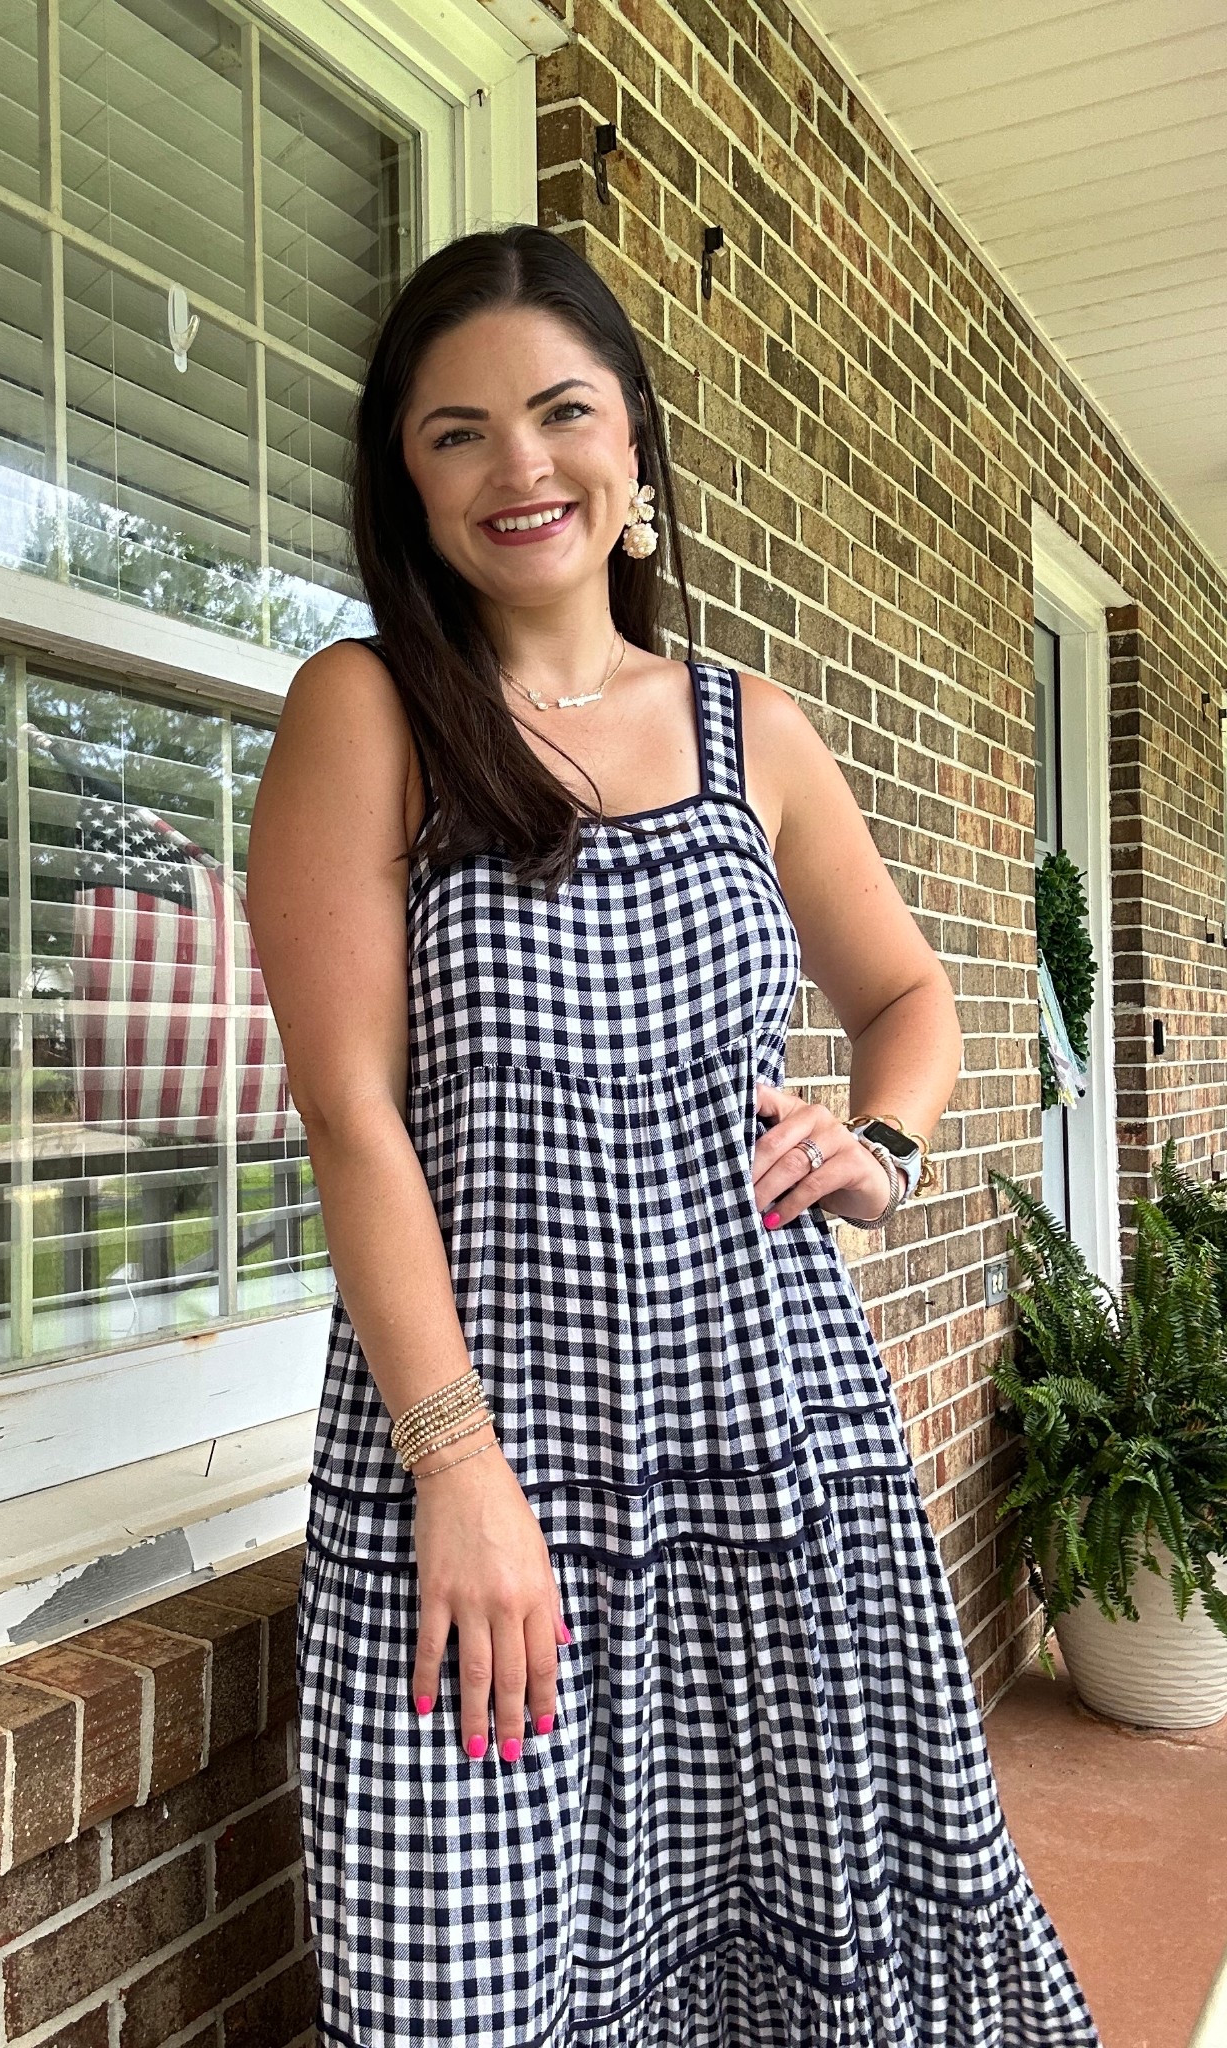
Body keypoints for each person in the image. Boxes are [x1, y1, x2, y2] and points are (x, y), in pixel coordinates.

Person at [245, 224, 1099, 2048]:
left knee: (811, 1972)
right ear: (407, 475)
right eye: (456, 431)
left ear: (633, 441)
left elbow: (917, 1003)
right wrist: (459, 1475)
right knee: (461, 1991)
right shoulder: (369, 713)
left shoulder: (751, 734)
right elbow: (352, 1125)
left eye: (561, 412)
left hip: (776, 1455)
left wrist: (884, 1147)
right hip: (489, 1481)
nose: (520, 467)